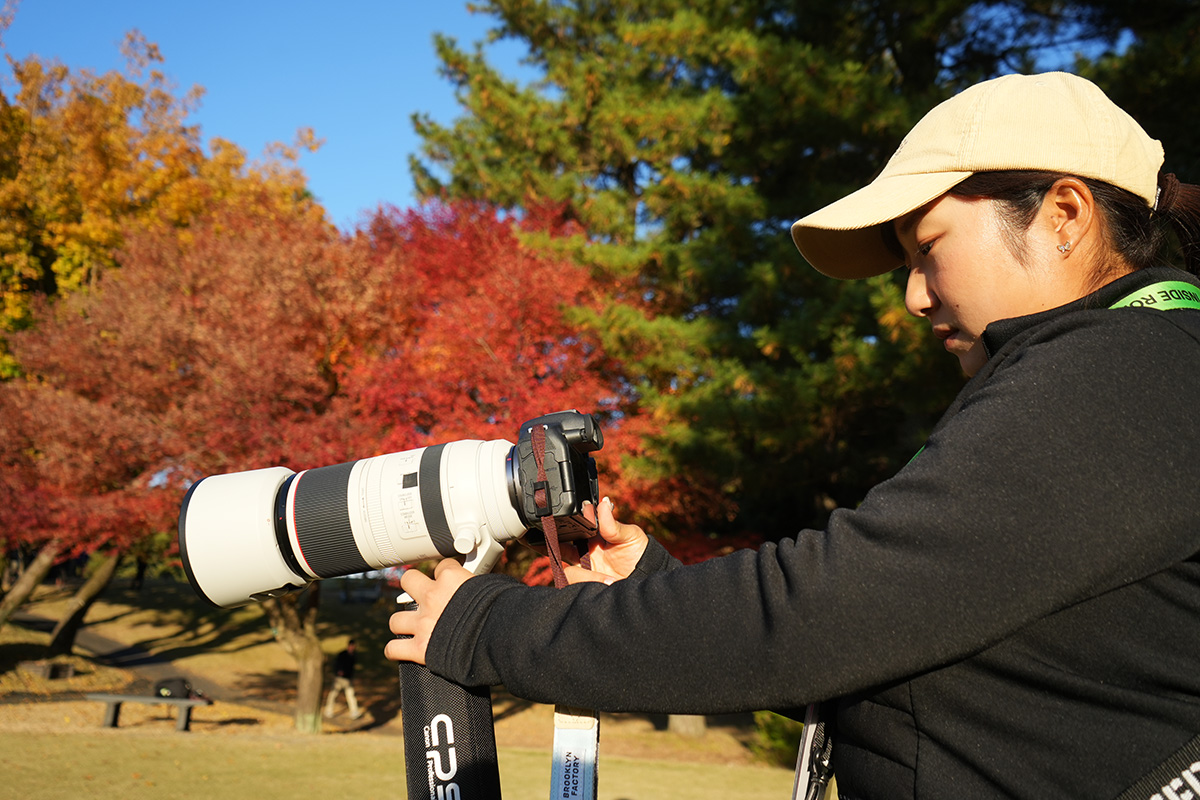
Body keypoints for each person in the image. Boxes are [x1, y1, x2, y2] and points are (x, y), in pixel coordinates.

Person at [385, 72, 1200, 799]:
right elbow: (879, 643)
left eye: (928, 249)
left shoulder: (1127, 371)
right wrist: (652, 587)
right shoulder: (1128, 376)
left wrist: (487, 627)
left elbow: (821, 607)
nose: (914, 297)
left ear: (1064, 214)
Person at [323, 638, 362, 720]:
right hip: (339, 678)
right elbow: (337, 664)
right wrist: (338, 671)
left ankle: (354, 711)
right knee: (333, 694)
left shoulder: (353, 656)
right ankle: (328, 710)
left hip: (348, 679)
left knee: (350, 695)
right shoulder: (342, 654)